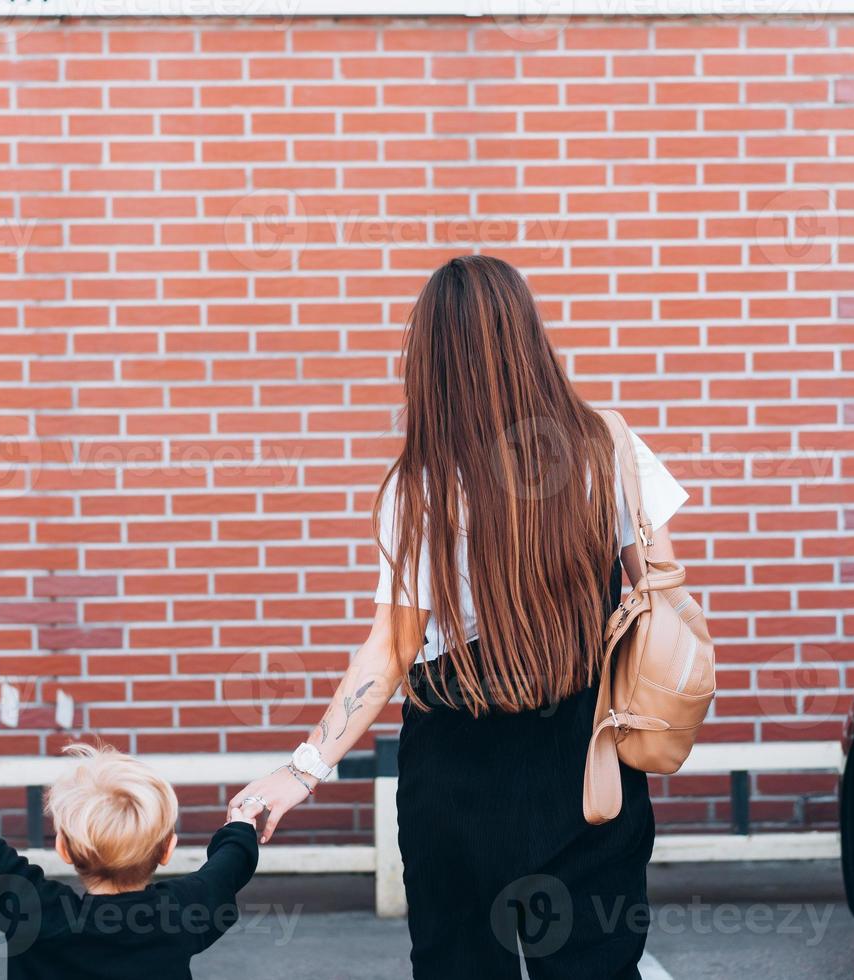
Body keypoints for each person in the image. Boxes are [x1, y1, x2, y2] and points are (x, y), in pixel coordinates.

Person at [229, 255, 689, 978]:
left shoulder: (419, 491)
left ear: (436, 361)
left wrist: (304, 769)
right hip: (589, 756)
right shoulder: (609, 447)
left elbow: (390, 650)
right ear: (528, 339)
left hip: (458, 774)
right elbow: (659, 595)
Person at [0, 742, 260, 979]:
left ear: (63, 848)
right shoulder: (183, 912)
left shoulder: (35, 913)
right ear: (167, 849)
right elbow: (226, 870)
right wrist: (240, 826)